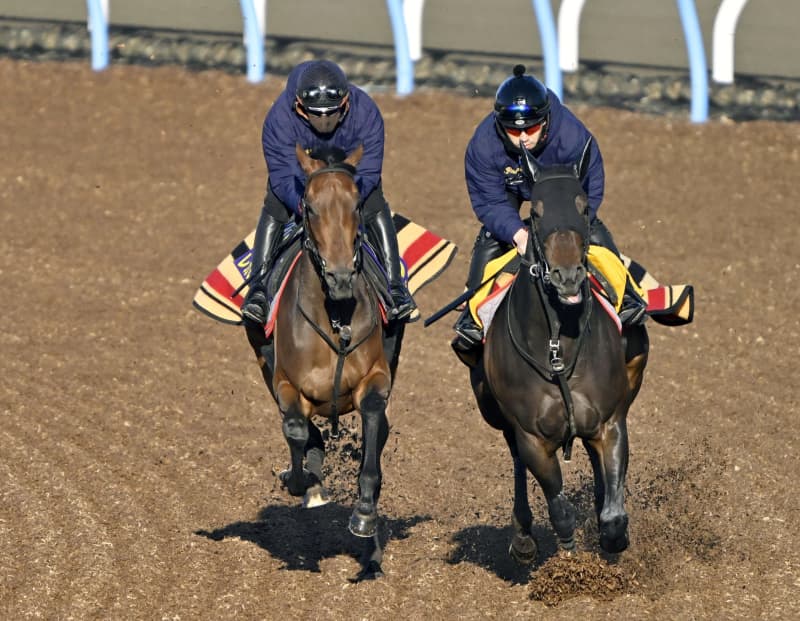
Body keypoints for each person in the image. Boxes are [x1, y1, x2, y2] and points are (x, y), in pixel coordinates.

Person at [451, 64, 646, 354]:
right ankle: (473, 315)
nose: (523, 138)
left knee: (593, 232)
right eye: (513, 131)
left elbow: (589, 194)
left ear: (546, 120)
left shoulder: (573, 138)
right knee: (491, 239)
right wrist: (518, 234)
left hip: (562, 191)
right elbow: (489, 202)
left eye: (531, 128)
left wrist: (573, 226)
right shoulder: (483, 145)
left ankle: (626, 295)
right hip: (510, 192)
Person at [241, 59, 416, 325]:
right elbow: (283, 176)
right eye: (316, 113)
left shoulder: (366, 112)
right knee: (275, 206)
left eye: (331, 113)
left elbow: (369, 172)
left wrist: (349, 200)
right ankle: (258, 290)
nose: (325, 120)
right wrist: (307, 206)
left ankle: (395, 289)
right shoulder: (279, 119)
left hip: (348, 180)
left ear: (345, 103)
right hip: (303, 183)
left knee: (375, 205)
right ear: (300, 108)